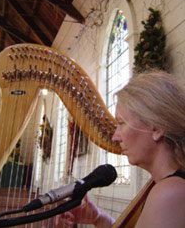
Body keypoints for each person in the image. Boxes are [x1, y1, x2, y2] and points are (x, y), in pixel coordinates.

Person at [56, 70, 185, 228]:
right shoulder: (168, 186)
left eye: (121, 123)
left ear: (157, 128)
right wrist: (99, 219)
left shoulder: (170, 193)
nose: (115, 137)